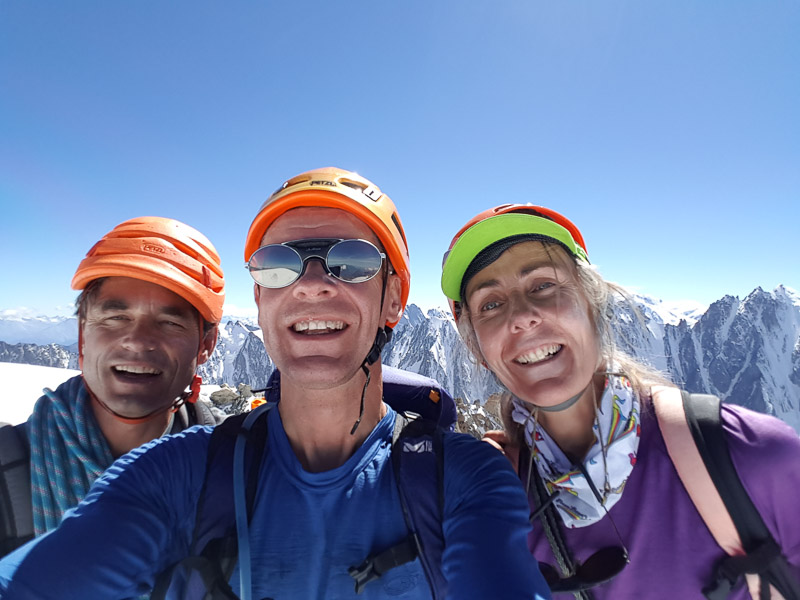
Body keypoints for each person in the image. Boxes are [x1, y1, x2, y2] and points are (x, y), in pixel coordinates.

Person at [0, 169, 550, 600]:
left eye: (352, 260)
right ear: (260, 300)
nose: (311, 284)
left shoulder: (465, 479)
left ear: (393, 300)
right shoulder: (175, 473)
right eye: (277, 264)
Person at [440, 203, 800, 599]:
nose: (522, 317)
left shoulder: (753, 457)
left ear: (593, 305)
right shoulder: (491, 506)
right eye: (491, 304)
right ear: (478, 350)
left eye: (543, 285)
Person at [0, 216, 226, 558]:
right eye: (115, 318)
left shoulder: (242, 470)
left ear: (206, 345)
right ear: (82, 335)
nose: (137, 341)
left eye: (169, 322)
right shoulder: (7, 469)